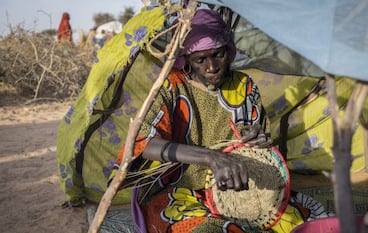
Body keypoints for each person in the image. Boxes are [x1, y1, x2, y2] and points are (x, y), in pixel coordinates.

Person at [111, 8, 332, 233]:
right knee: (220, 229)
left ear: (229, 51)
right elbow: (141, 143)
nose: (212, 67)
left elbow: (261, 140)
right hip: (179, 191)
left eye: (218, 54)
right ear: (186, 58)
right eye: (200, 60)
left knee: (313, 219)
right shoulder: (171, 87)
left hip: (241, 191)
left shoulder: (243, 85)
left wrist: (258, 140)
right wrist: (210, 157)